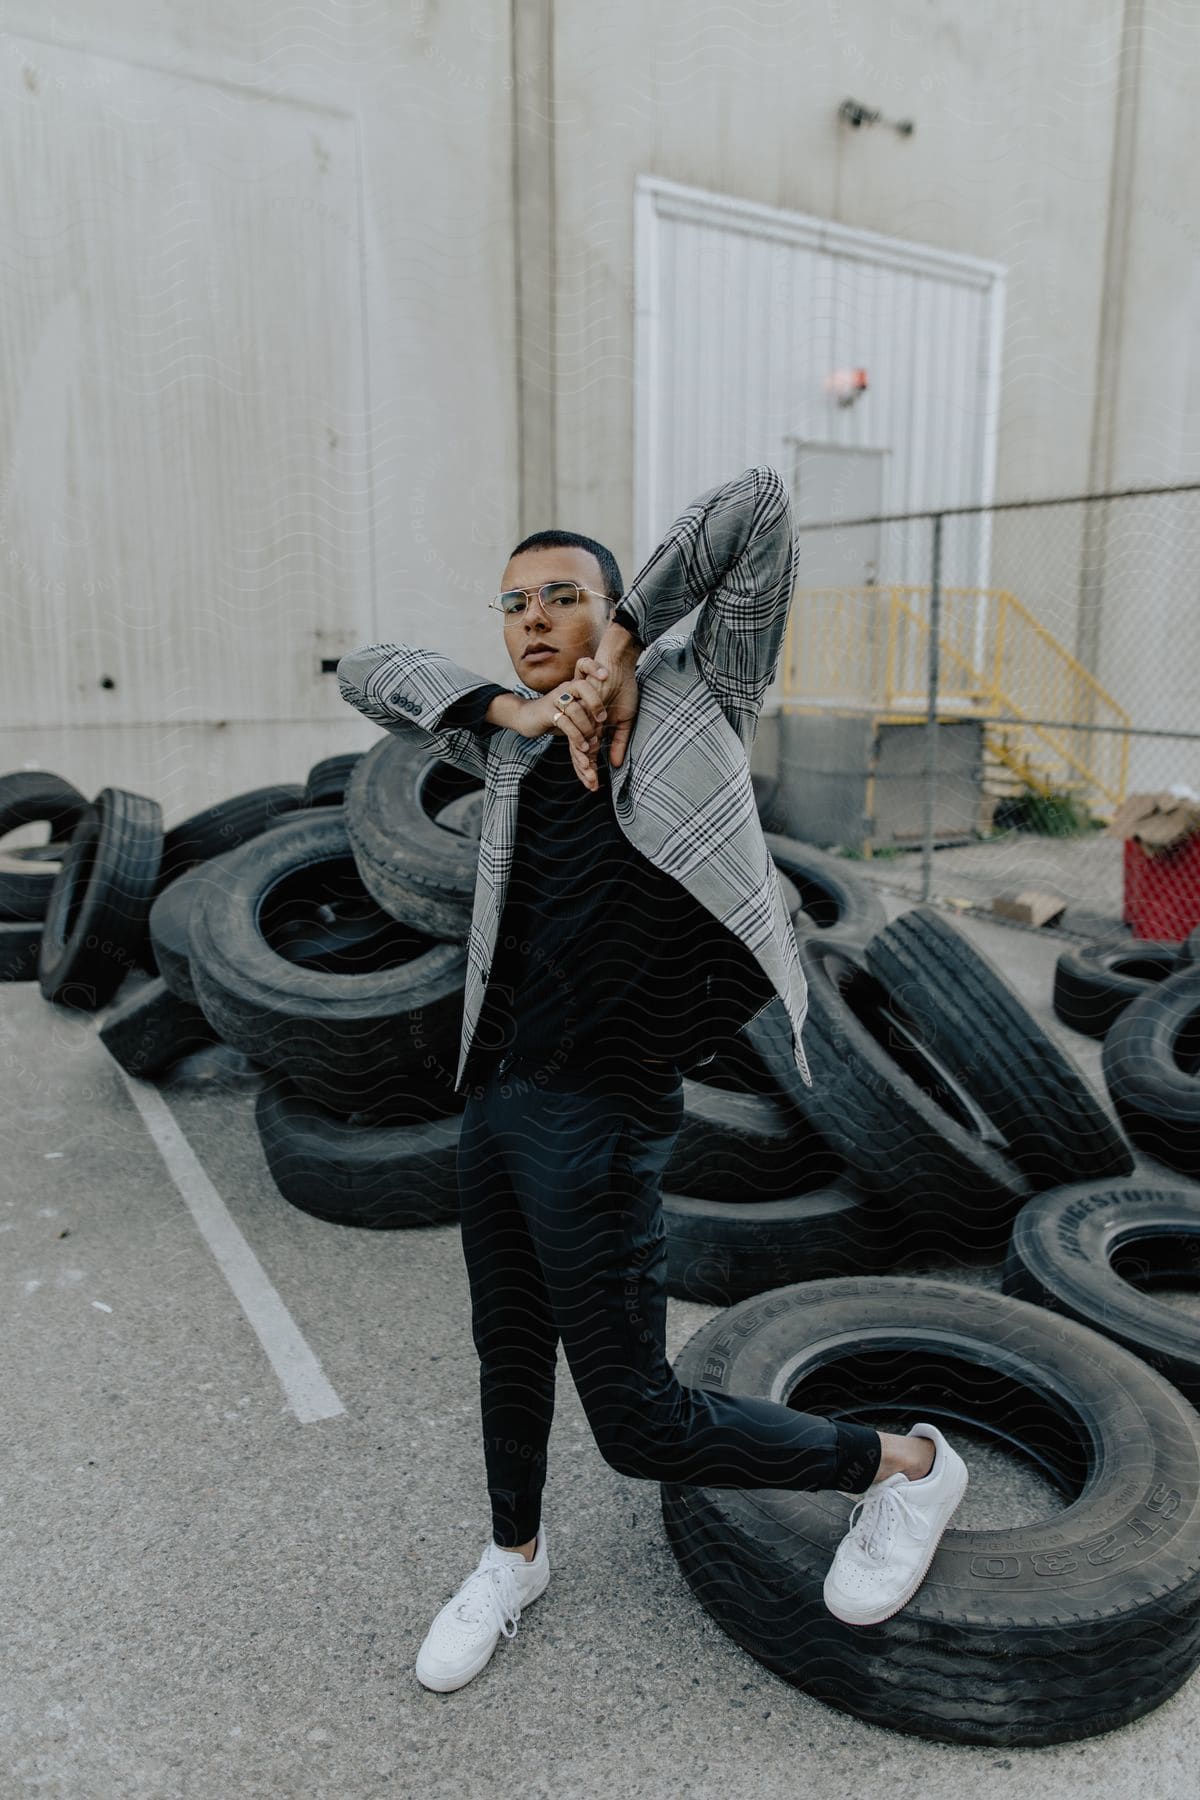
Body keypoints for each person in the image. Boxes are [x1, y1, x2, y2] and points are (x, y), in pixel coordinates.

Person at [336, 465, 968, 1694]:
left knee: (638, 1424)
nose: (530, 620)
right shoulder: (508, 744)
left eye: (562, 596)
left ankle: (908, 1467)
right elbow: (364, 670)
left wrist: (630, 646)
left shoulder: (700, 694)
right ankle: (511, 1555)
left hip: (607, 1108)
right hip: (499, 1096)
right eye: (511, 603)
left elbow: (761, 507)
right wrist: (506, 713)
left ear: (615, 606)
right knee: (506, 1349)